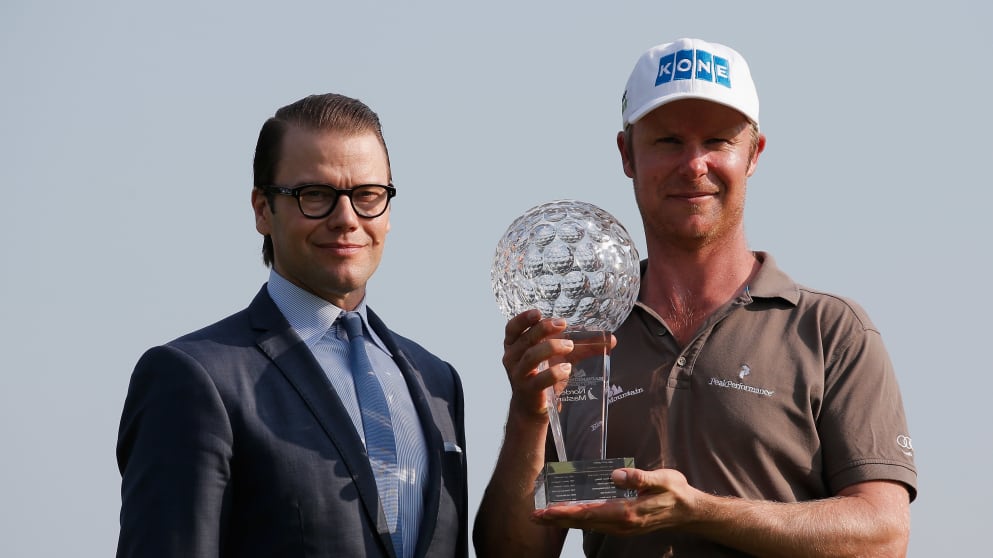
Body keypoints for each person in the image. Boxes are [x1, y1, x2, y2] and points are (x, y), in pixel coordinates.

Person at [473, 38, 916, 557]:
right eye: (667, 142)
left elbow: (883, 537)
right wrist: (529, 412)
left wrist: (698, 510)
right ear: (626, 155)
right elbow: (515, 550)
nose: (694, 164)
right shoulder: (581, 343)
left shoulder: (828, 331)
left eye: (717, 141)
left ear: (754, 154)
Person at [117, 93, 467, 558]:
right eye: (315, 195)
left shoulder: (436, 379)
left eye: (367, 196)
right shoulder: (192, 378)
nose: (347, 219)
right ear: (263, 209)